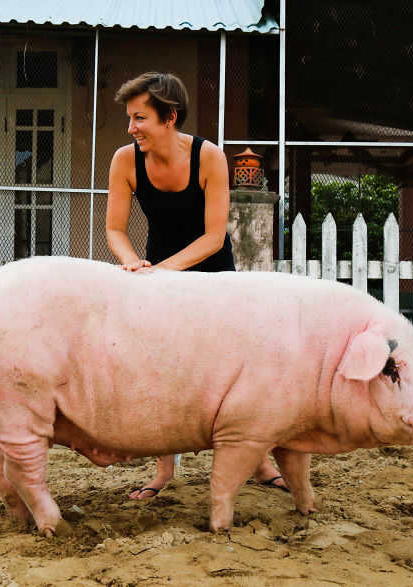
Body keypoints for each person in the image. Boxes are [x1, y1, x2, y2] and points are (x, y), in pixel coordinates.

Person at [105, 71, 289, 499]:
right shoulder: (124, 161)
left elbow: (212, 236)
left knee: (231, 371)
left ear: (169, 117)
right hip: (157, 276)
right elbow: (114, 229)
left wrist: (163, 273)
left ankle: (260, 461)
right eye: (130, 119)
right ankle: (163, 471)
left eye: (139, 119)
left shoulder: (210, 157)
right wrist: (134, 265)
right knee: (164, 372)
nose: (131, 129)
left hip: (212, 274)